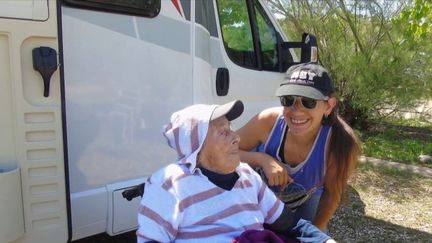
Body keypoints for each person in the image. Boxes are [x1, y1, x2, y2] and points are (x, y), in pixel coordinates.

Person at [137, 100, 335, 242]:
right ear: (196, 146)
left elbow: (290, 223)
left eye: (231, 128)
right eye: (223, 132)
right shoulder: (169, 186)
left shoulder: (247, 176)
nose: (237, 138)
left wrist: (324, 241)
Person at [236, 63, 361, 230]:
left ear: (329, 105)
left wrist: (315, 233)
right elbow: (225, 152)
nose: (296, 111)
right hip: (257, 194)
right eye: (288, 100)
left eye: (308, 102)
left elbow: (332, 193)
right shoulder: (268, 121)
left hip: (306, 198)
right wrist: (263, 160)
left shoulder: (339, 143)